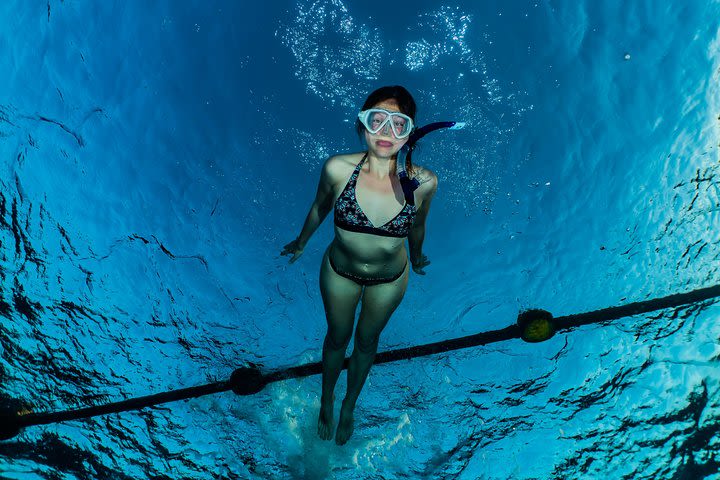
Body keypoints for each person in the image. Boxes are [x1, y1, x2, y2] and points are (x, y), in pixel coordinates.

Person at [281, 85, 437, 445]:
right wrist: (302, 242)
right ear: (362, 124)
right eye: (377, 120)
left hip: (390, 279)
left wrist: (416, 255)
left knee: (367, 342)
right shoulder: (338, 168)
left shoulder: (424, 181)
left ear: (410, 132)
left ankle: (349, 404)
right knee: (338, 338)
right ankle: (327, 399)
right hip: (339, 272)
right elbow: (320, 206)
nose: (386, 132)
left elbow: (418, 223)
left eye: (398, 125)